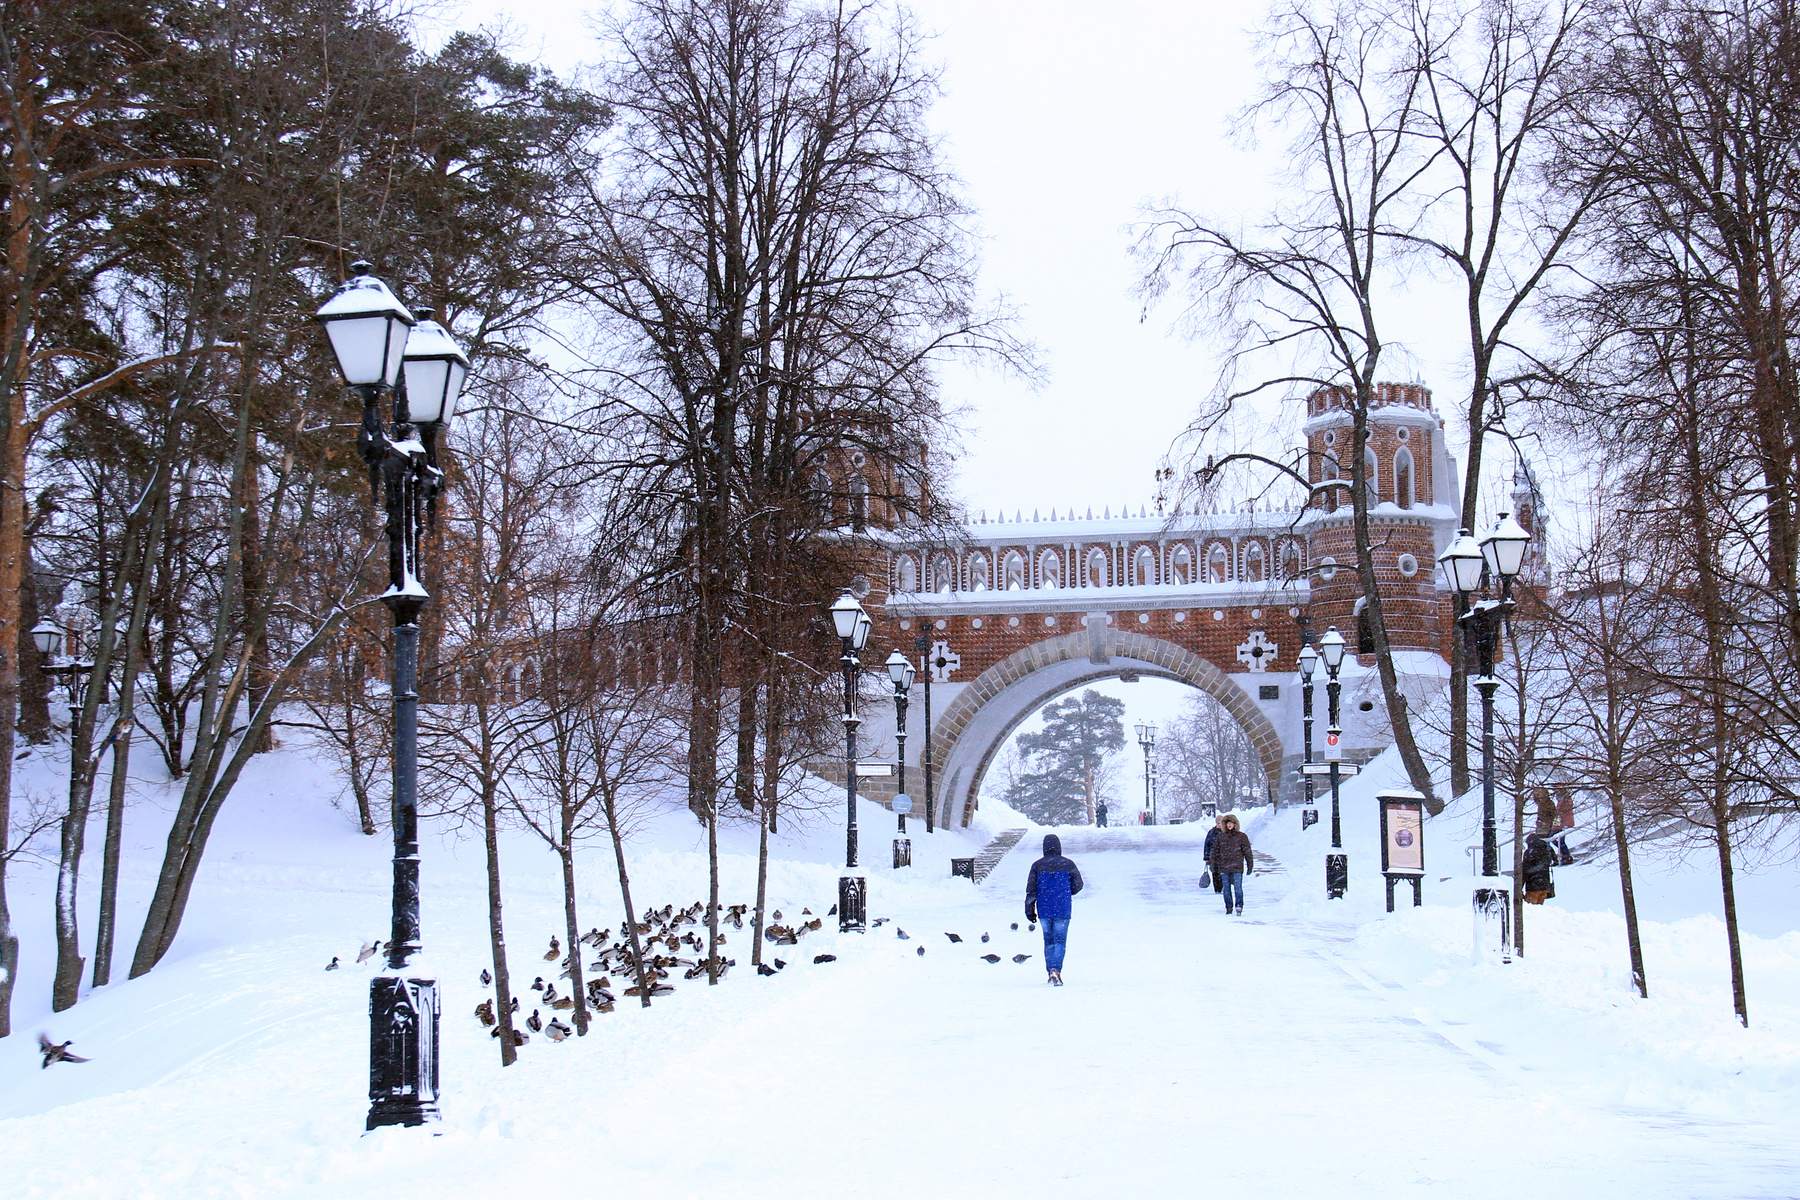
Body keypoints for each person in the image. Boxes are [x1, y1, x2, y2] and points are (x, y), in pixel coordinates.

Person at [1025, 833, 1084, 985]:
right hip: (1063, 908)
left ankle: (1050, 970)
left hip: (1044, 909)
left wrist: (1029, 909)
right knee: (1060, 941)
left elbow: (1031, 890)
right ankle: (1055, 970)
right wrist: (1066, 892)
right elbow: (1079, 884)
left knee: (1049, 941)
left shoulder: (1037, 866)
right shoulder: (1068, 864)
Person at [1209, 813, 1253, 914]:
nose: (1229, 825)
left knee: (1238, 888)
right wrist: (1213, 865)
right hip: (1224, 867)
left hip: (1237, 867)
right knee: (1226, 889)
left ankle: (1239, 906)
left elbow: (1247, 852)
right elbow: (1215, 852)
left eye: (1231, 823)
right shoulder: (1220, 837)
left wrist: (1250, 865)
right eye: (1227, 823)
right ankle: (1229, 907)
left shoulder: (1241, 837)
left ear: (1235, 824)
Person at [1203, 814, 1225, 894]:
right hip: (1213, 857)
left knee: (1224, 873)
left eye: (1221, 823)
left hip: (1224, 856)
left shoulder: (1227, 832)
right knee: (1215, 873)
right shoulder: (1211, 833)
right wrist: (1206, 857)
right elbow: (1207, 845)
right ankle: (1217, 889)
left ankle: (1223, 887)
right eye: (1218, 823)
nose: (1219, 825)